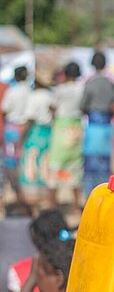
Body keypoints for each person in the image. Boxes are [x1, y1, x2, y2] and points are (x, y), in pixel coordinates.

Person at [47, 62, 85, 211]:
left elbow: (52, 107)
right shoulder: (82, 89)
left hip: (61, 127)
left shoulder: (60, 90)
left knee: (55, 164)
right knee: (75, 165)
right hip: (76, 127)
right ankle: (76, 205)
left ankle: (52, 204)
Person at [17, 64, 55, 212]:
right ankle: (46, 204)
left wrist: (21, 139)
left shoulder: (33, 97)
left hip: (36, 133)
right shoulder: (51, 96)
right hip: (48, 133)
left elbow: (29, 120)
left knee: (31, 166)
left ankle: (32, 205)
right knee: (45, 165)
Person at [80, 51, 114, 197]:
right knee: (105, 161)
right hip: (107, 126)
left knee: (90, 162)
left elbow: (83, 105)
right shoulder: (110, 84)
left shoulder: (90, 83)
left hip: (94, 125)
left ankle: (90, 195)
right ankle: (104, 193)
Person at [1, 67, 30, 210]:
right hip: (29, 128)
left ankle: (16, 197)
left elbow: (5, 109)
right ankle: (23, 199)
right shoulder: (30, 91)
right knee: (25, 163)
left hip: (13, 129)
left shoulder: (12, 91)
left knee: (10, 164)